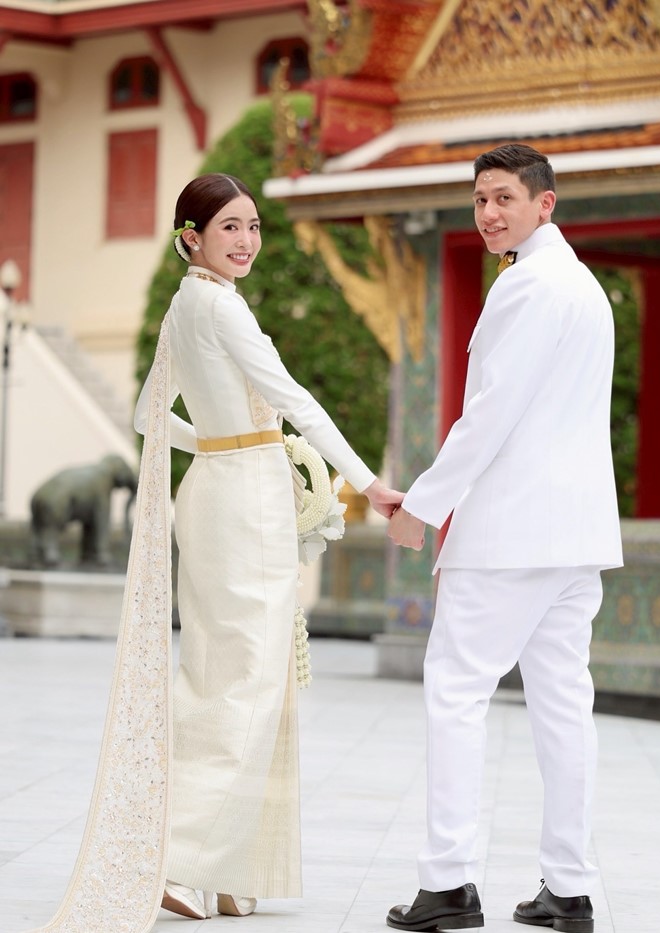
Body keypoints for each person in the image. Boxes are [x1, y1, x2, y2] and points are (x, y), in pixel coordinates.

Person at [130, 172, 403, 922]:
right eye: (230, 227)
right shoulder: (221, 307)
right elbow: (294, 399)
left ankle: (222, 868)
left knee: (217, 671)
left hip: (210, 490)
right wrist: (368, 483)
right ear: (192, 238)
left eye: (253, 226)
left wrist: (216, 444)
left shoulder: (184, 305)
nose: (247, 240)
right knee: (248, 679)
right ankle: (182, 860)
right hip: (246, 497)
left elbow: (148, 416)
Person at [385, 144, 622, 933]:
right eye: (481, 199)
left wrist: (423, 505)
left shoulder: (527, 285)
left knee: (456, 693)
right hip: (576, 535)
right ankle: (570, 888)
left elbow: (490, 414)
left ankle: (449, 882)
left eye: (504, 198)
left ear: (544, 202)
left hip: (513, 533)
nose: (489, 213)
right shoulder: (583, 286)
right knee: (564, 705)